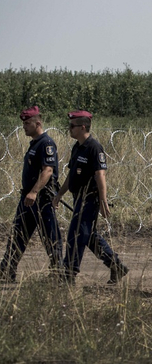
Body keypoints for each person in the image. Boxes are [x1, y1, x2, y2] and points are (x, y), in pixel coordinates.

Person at [53, 110, 128, 285]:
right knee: (88, 236)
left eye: (72, 126)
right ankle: (116, 266)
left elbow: (100, 175)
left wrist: (103, 201)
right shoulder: (77, 147)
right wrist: (59, 194)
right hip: (78, 198)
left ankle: (68, 274)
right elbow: (71, 175)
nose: (69, 129)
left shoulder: (94, 147)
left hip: (90, 199)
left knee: (76, 234)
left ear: (83, 127)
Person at [0, 106, 63, 283]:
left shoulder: (46, 143)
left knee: (50, 237)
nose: (24, 126)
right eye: (23, 123)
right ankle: (6, 270)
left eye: (27, 123)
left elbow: (48, 170)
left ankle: (59, 273)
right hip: (27, 199)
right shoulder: (35, 143)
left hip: (41, 199)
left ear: (38, 123)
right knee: (17, 235)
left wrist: (34, 192)